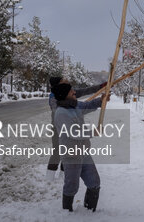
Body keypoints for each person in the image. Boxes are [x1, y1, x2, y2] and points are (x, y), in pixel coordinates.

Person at [52, 81, 110, 212]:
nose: (74, 92)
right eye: (71, 91)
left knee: (94, 182)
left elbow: (89, 105)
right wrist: (92, 132)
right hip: (71, 155)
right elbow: (73, 132)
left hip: (84, 153)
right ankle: (67, 213)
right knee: (71, 187)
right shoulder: (61, 113)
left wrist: (101, 100)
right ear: (64, 95)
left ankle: (90, 211)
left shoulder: (75, 105)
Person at [47, 77, 105, 179]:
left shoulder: (68, 92)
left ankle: (63, 174)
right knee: (58, 151)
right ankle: (49, 176)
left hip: (70, 128)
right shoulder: (55, 97)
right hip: (59, 128)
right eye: (62, 81)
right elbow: (60, 112)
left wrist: (100, 88)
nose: (66, 81)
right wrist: (74, 109)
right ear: (58, 86)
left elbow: (85, 91)